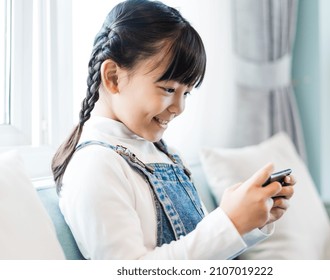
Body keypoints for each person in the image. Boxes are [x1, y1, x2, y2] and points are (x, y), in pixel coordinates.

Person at [52, 0, 295, 260]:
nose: (179, 108)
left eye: (186, 93)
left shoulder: (164, 153)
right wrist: (229, 223)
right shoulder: (94, 165)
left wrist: (247, 222)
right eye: (169, 89)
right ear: (113, 77)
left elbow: (198, 250)